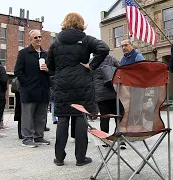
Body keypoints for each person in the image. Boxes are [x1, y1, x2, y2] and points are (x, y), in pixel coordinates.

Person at [47, 12, 109, 166]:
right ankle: (81, 158)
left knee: (62, 118)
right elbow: (104, 48)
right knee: (81, 117)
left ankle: (59, 158)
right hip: (82, 83)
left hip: (62, 84)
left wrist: (60, 73)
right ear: (81, 23)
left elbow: (50, 67)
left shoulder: (55, 43)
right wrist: (91, 65)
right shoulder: (86, 39)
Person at [14, 29, 51, 148]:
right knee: (28, 116)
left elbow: (53, 71)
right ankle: (27, 138)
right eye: (36, 37)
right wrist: (26, 83)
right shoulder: (24, 53)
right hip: (29, 90)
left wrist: (47, 70)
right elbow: (18, 71)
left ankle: (38, 136)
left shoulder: (46, 54)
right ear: (30, 39)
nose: (39, 39)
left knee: (41, 115)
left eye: (40, 37)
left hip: (43, 90)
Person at [92, 54, 126, 149]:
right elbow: (121, 70)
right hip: (114, 91)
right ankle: (120, 140)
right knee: (119, 117)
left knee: (104, 117)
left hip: (101, 94)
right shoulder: (112, 58)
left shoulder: (92, 61)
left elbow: (89, 76)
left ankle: (105, 140)